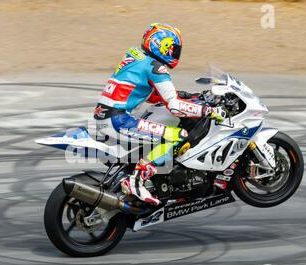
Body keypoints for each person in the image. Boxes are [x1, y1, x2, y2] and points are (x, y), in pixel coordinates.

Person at [94, 23, 226, 206]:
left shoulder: (135, 56)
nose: (175, 53)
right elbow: (174, 106)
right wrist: (208, 110)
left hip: (106, 115)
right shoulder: (156, 67)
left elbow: (148, 93)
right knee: (176, 135)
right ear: (163, 46)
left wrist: (187, 96)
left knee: (158, 127)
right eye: (174, 49)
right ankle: (136, 181)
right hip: (119, 120)